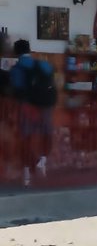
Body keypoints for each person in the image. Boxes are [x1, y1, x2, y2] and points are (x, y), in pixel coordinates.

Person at [9, 39, 56, 187]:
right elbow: (52, 74)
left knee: (26, 138)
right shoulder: (43, 64)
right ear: (29, 50)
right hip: (45, 106)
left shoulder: (17, 68)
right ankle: (42, 160)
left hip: (28, 107)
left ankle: (27, 174)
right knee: (47, 134)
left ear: (15, 52)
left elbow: (16, 88)